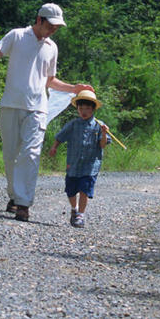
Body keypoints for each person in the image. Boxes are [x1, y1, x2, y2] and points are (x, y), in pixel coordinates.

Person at [0, 3, 93, 222]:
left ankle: (23, 204)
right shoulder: (17, 35)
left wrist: (74, 88)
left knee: (31, 154)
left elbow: (50, 80)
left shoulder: (52, 47)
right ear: (39, 20)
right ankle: (14, 195)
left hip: (37, 108)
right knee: (10, 155)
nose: (53, 30)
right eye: (51, 25)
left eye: (57, 27)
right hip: (11, 105)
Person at [48, 89, 110, 228]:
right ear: (77, 109)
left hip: (90, 165)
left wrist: (104, 133)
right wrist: (54, 147)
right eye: (81, 108)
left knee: (84, 190)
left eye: (87, 108)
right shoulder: (73, 124)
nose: (84, 111)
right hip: (73, 163)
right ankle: (74, 209)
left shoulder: (99, 125)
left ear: (93, 109)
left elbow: (102, 145)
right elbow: (61, 136)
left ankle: (81, 215)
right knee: (70, 190)